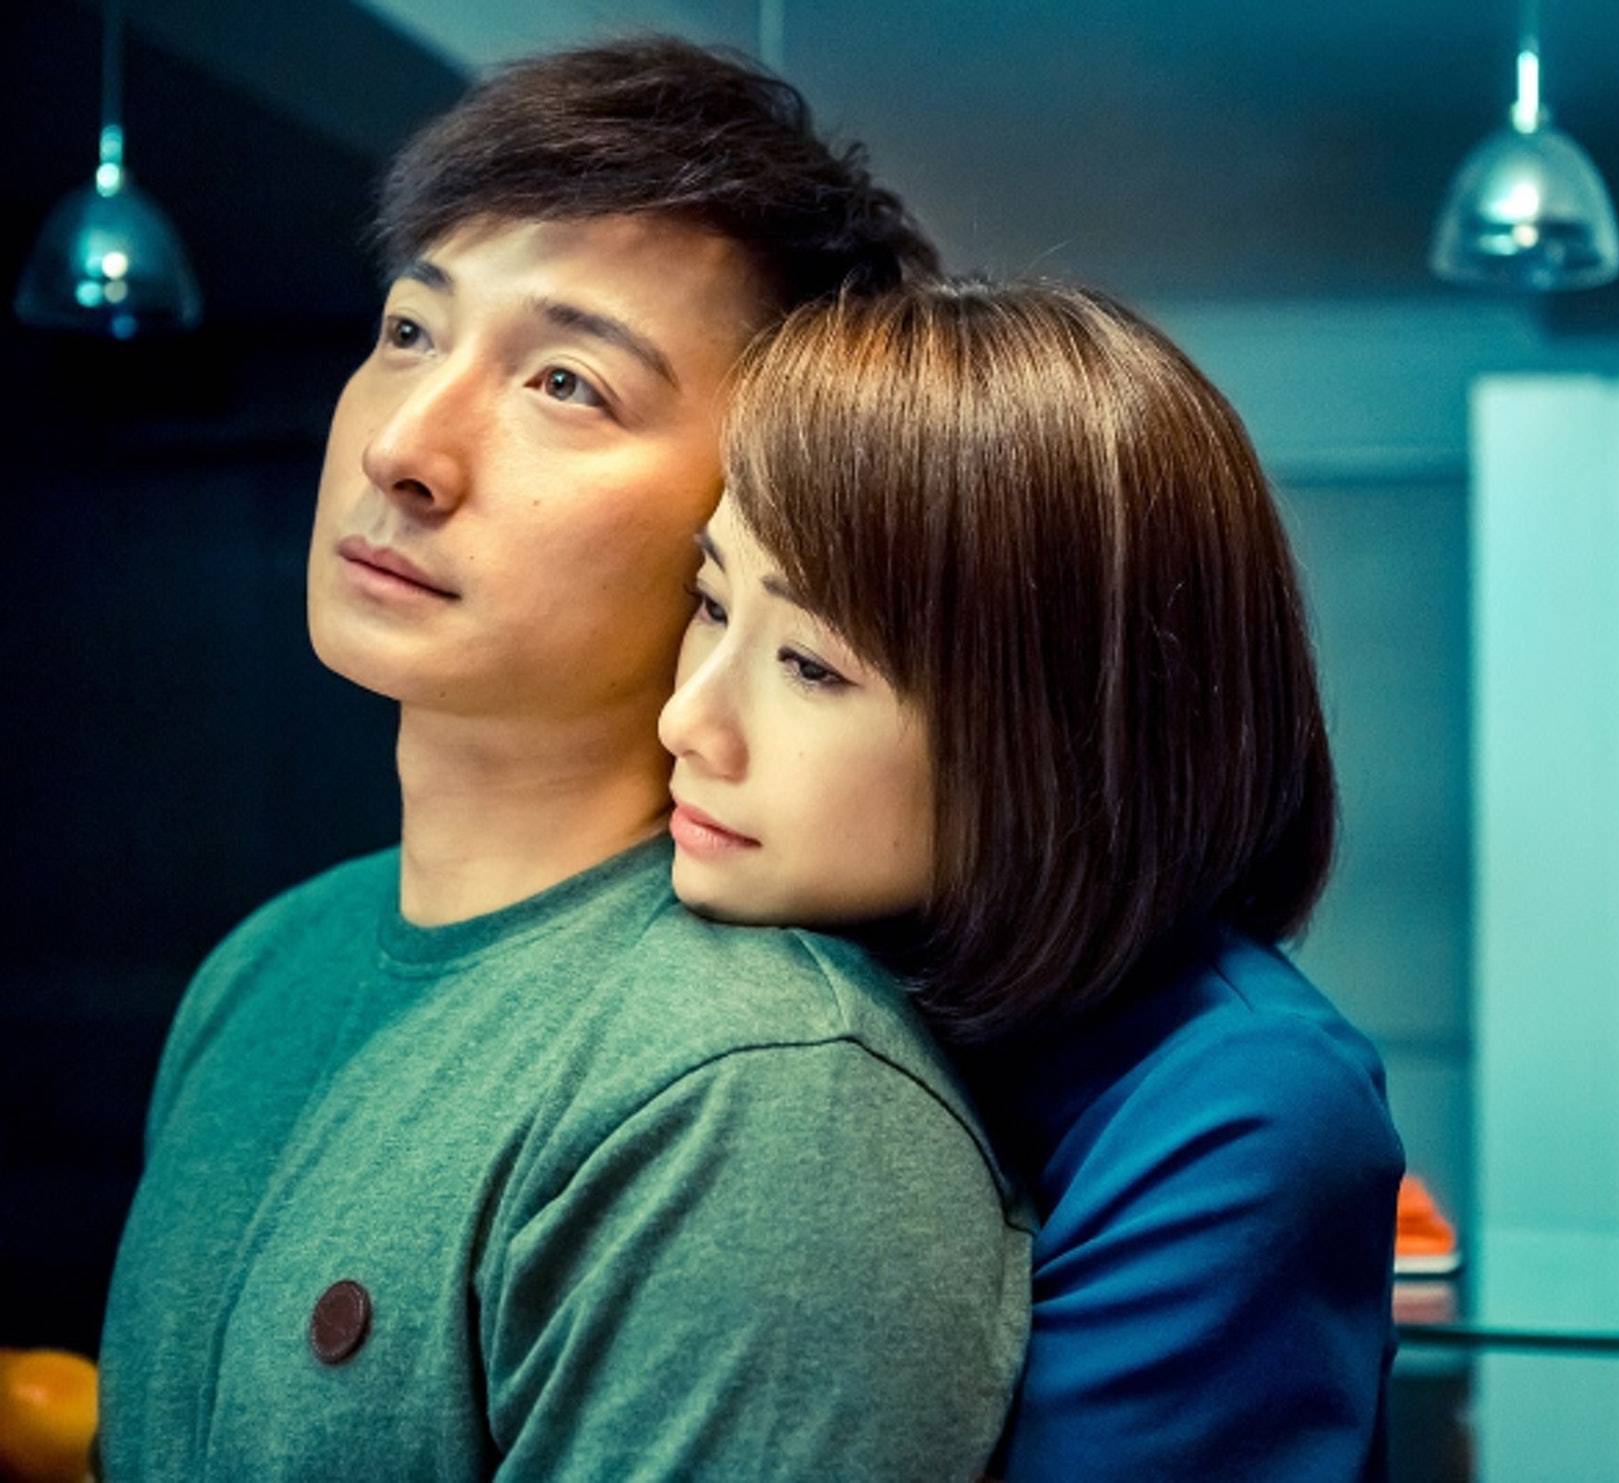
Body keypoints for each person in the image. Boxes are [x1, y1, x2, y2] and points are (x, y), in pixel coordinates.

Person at [97, 39, 1031, 1481]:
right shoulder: (263, 968)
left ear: (760, 504)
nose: (406, 446)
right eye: (411, 330)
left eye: (567, 382)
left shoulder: (753, 1095)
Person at [659, 279, 1405, 1481]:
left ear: (1058, 731)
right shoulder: (815, 933)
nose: (688, 719)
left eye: (809, 664)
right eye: (710, 602)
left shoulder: (1248, 1107)